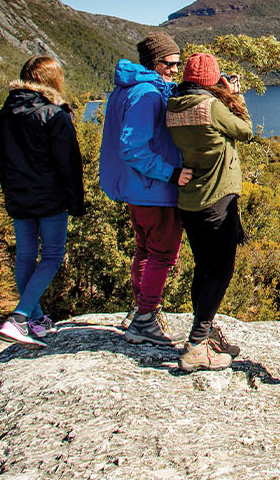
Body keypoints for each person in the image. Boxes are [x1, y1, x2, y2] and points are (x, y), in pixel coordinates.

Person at [100, 31, 192, 348]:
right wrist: (172, 173)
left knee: (145, 250)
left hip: (138, 190)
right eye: (172, 64)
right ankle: (144, 320)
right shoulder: (147, 95)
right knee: (164, 254)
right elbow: (132, 148)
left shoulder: (127, 90)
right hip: (154, 190)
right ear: (156, 63)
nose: (176, 69)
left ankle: (141, 309)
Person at [165, 52, 255, 372]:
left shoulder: (173, 106)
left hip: (189, 199)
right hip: (217, 198)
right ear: (213, 81)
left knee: (203, 268)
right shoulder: (211, 106)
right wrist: (233, 94)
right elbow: (245, 130)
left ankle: (206, 333)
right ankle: (196, 343)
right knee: (221, 269)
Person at [0, 55, 85, 349]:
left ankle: (36, 319)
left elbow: (2, 162)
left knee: (25, 256)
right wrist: (76, 201)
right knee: (53, 256)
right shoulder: (54, 115)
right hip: (50, 197)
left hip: (19, 197)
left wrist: (8, 193)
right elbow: (70, 164)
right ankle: (19, 319)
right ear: (53, 81)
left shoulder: (2, 116)